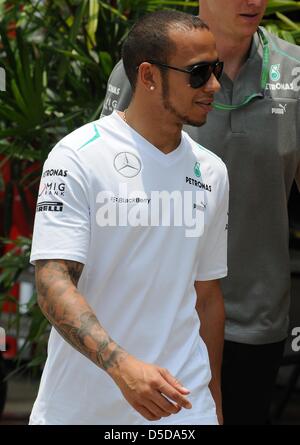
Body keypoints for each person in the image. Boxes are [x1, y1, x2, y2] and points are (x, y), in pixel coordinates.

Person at [101, 0, 300, 425]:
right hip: (160, 314)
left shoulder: (295, 69)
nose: (254, 2)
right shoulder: (146, 65)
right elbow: (107, 178)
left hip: (256, 315)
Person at [29, 10, 229, 425]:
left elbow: (207, 297)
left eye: (217, 69)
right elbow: (52, 280)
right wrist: (121, 366)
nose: (213, 85)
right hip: (81, 409)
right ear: (149, 76)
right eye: (198, 72)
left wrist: (214, 404)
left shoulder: (211, 171)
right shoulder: (78, 156)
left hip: (183, 409)